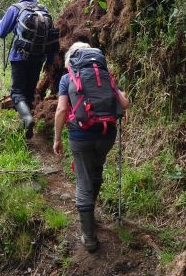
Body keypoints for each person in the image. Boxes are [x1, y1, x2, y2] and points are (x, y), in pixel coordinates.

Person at [53, 40, 130, 253]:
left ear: (71, 59)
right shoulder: (104, 76)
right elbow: (124, 104)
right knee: (96, 169)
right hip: (106, 135)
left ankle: (88, 237)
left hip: (81, 136)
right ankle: (91, 214)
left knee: (83, 180)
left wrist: (57, 139)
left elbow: (61, 110)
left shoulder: (67, 78)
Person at [0, 0, 57, 138]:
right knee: (29, 92)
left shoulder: (15, 8)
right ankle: (26, 129)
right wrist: (50, 61)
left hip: (19, 57)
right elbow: (52, 36)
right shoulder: (44, 10)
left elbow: (2, 32)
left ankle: (27, 118)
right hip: (38, 57)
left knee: (17, 92)